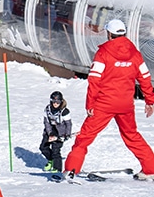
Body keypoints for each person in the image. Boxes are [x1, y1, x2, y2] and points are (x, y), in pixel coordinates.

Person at [64, 19, 154, 181]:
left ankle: (71, 169)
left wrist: (90, 104)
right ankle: (151, 168)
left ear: (109, 33)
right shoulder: (135, 54)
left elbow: (94, 80)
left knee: (84, 137)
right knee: (132, 135)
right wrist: (149, 101)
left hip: (103, 104)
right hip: (126, 104)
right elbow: (145, 78)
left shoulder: (103, 53)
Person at [39, 90, 72, 173]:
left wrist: (67, 134)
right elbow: (46, 122)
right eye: (54, 101)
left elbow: (68, 124)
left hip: (60, 132)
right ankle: (50, 160)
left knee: (55, 150)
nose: (55, 104)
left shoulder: (64, 111)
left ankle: (57, 169)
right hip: (50, 130)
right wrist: (49, 133)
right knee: (43, 147)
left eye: (57, 102)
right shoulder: (48, 109)